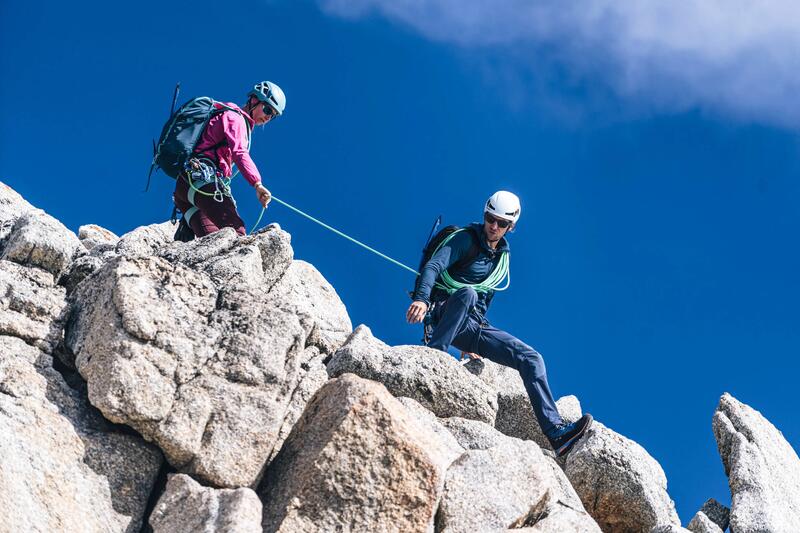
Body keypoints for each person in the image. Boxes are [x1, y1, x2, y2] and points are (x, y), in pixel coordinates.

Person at [406, 191, 593, 456]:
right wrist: (423, 299)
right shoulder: (464, 239)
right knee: (467, 293)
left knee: (532, 358)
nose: (493, 226)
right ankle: (434, 356)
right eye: (490, 219)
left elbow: (482, 302)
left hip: (470, 323)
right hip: (441, 312)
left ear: (511, 226)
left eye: (501, 223)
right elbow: (433, 267)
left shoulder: (500, 261)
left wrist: (470, 344)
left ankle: (557, 434)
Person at [173, 81, 285, 239]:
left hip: (185, 188)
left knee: (213, 239)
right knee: (236, 232)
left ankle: (184, 235)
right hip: (202, 181)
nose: (268, 117)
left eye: (272, 115)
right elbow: (239, 152)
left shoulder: (228, 115)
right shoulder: (235, 118)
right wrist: (257, 184)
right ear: (254, 100)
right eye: (267, 109)